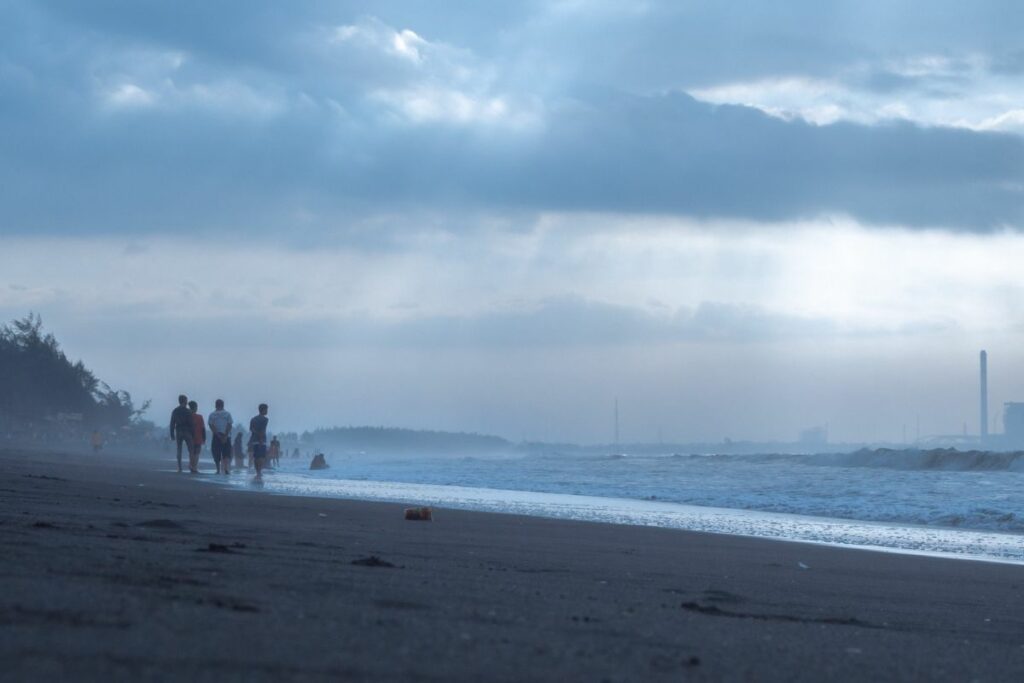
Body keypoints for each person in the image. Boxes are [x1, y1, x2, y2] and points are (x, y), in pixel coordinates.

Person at [207, 399, 233, 475]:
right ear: (223, 405)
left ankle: (218, 469)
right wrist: (225, 436)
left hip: (216, 436)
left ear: (216, 405)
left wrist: (218, 435)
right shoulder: (227, 414)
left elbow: (211, 426)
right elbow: (229, 425)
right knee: (226, 453)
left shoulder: (212, 414)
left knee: (216, 453)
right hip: (226, 436)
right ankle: (226, 469)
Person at [169, 395, 194, 473]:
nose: (187, 402)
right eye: (186, 400)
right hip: (187, 431)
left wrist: (172, 434)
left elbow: (172, 423)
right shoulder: (188, 411)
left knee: (179, 449)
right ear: (184, 401)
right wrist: (193, 433)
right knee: (191, 450)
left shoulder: (175, 411)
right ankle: (191, 466)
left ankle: (179, 468)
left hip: (179, 430)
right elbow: (191, 423)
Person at [248, 403, 269, 481]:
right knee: (262, 457)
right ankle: (259, 472)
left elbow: (251, 429)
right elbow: (262, 430)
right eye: (266, 409)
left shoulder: (253, 419)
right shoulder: (265, 419)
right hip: (261, 440)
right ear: (263, 410)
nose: (267, 411)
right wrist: (260, 439)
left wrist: (256, 435)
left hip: (254, 439)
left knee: (256, 457)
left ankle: (258, 472)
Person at [188, 400, 205, 474]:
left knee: (191, 452)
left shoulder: (188, 416)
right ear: (195, 407)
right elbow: (203, 428)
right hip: (198, 437)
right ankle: (194, 467)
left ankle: (191, 465)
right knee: (197, 453)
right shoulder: (199, 417)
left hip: (190, 437)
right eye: (196, 407)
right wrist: (204, 438)